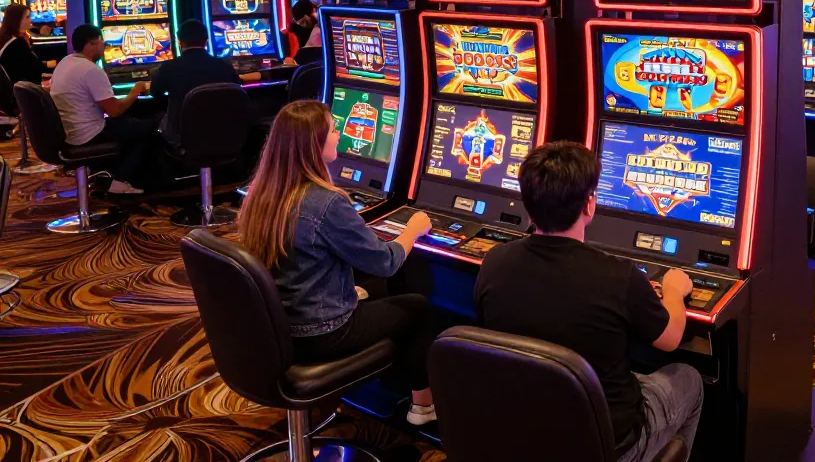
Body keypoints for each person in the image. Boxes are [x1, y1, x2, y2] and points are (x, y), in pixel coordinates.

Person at [475, 141, 703, 462]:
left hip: (526, 423)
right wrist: (675, 292)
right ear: (589, 206)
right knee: (689, 377)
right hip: (606, 439)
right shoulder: (618, 276)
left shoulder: (494, 262)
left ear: (527, 205)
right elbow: (669, 339)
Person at [237, 100, 437, 425]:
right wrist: (413, 230)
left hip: (278, 328)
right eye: (332, 129)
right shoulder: (326, 202)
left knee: (369, 289)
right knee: (417, 308)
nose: (339, 134)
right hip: (322, 333)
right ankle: (423, 408)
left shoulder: (262, 193)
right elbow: (385, 262)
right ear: (313, 145)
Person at [49, 24, 155, 194]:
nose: (104, 46)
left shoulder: (65, 62)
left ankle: (106, 174)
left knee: (130, 123)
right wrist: (134, 92)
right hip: (87, 133)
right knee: (149, 128)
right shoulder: (91, 70)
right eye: (101, 42)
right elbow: (114, 111)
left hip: (69, 131)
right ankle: (121, 180)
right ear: (91, 45)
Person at [149, 19, 244, 146]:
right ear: (206, 41)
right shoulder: (224, 66)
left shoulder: (169, 67)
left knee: (153, 120)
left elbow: (155, 93)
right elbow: (238, 88)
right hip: (222, 135)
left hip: (183, 137)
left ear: (180, 42)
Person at [0, 3, 55, 85]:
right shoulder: (17, 43)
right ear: (17, 20)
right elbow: (33, 69)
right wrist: (47, 65)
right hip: (22, 93)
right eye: (27, 17)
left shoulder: (6, 38)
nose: (31, 20)